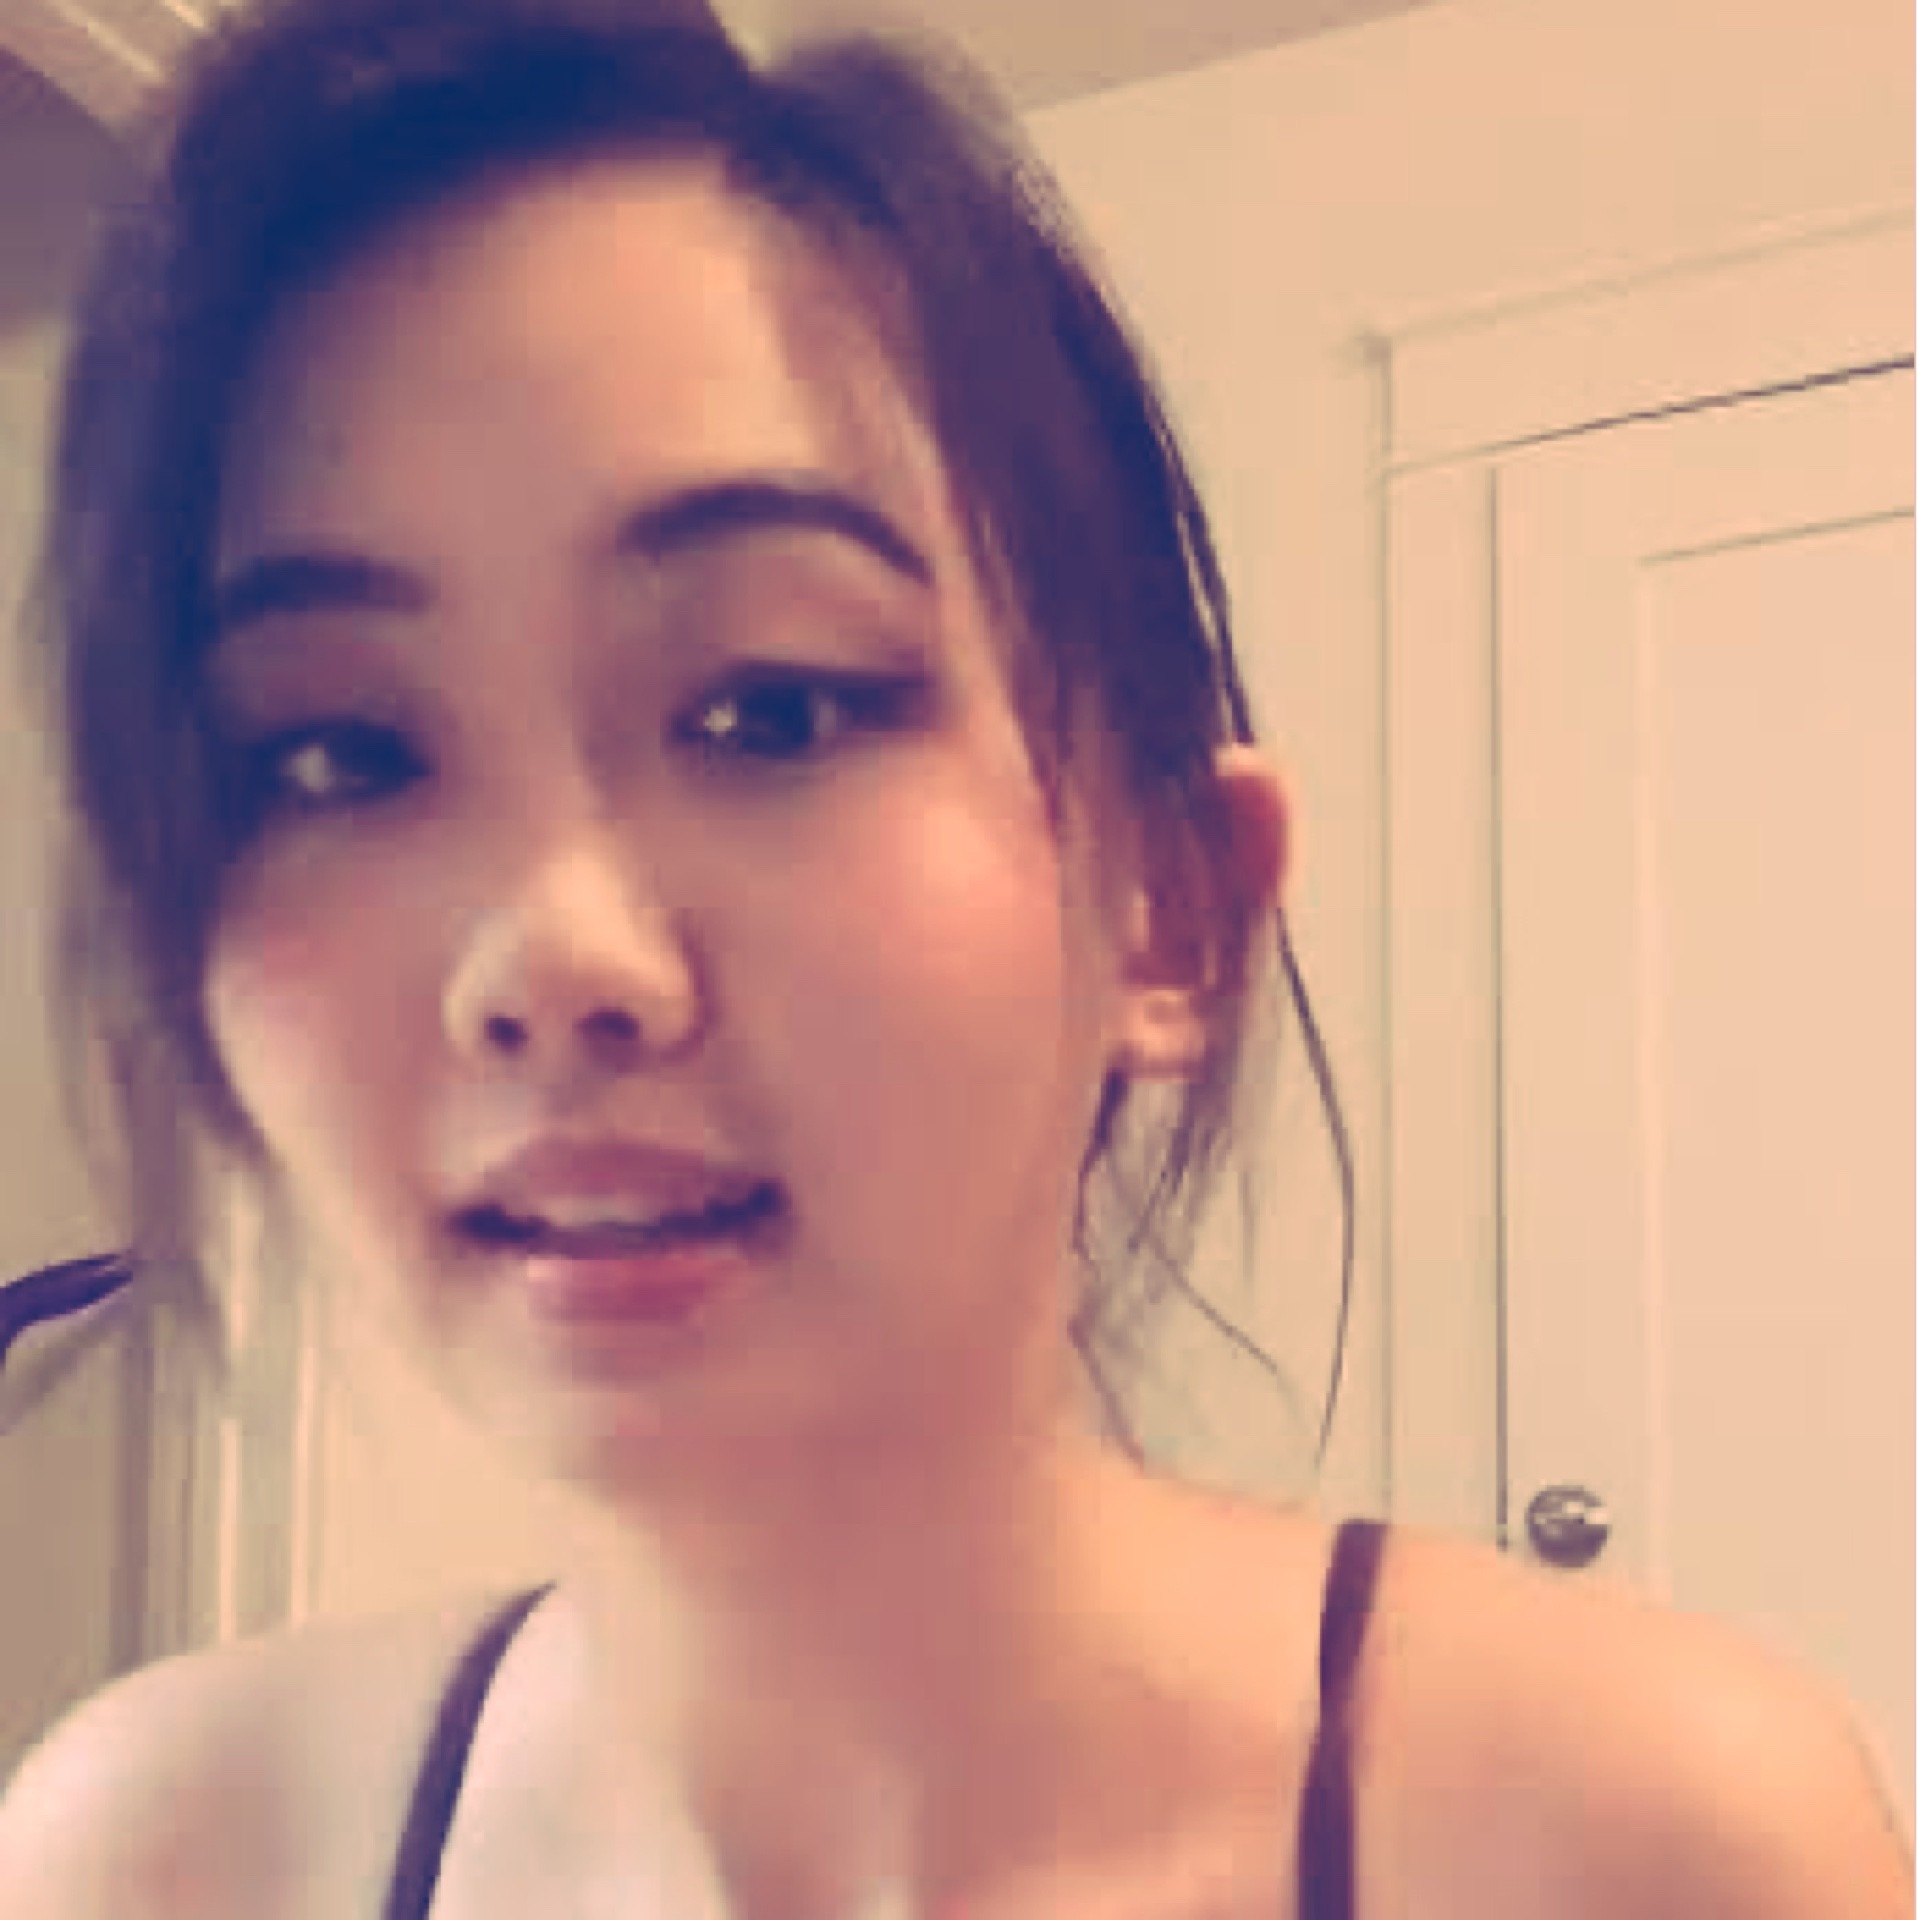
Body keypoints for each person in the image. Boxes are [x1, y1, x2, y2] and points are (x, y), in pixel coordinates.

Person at [0, 1, 1906, 1914]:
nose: (551, 960)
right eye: (335, 754)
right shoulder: (163, 1856)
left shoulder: (1632, 1839)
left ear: (1169, 904)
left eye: (770, 707)